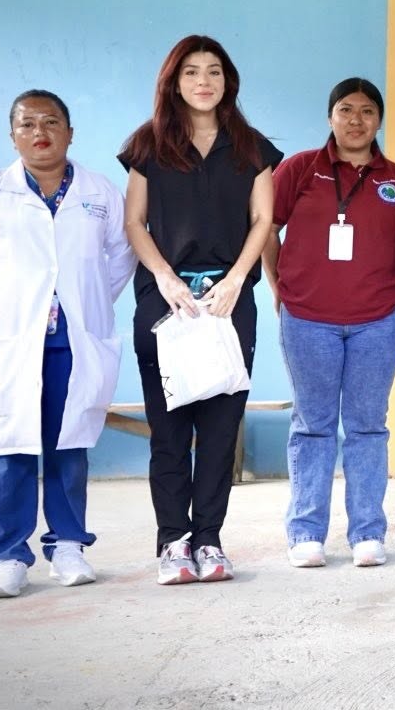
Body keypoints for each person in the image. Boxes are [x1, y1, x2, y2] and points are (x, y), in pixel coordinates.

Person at [0, 91, 136, 599]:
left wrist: (86, 303)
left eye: (51, 122)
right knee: (9, 445)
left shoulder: (98, 191)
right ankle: (8, 555)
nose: (39, 132)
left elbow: (122, 255)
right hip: (7, 342)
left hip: (73, 340)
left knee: (68, 443)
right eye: (27, 124)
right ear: (13, 136)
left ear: (70, 132)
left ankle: (68, 545)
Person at [119, 36, 282, 585]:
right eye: (191, 72)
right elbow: (134, 222)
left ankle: (209, 540)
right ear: (174, 81)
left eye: (214, 71)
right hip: (166, 301)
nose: (203, 81)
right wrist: (165, 278)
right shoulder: (148, 144)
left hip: (229, 301)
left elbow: (263, 221)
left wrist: (237, 279)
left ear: (227, 80)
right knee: (168, 432)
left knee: (219, 430)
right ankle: (173, 543)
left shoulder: (252, 147)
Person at [262, 78, 395, 570]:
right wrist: (280, 287)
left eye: (367, 111)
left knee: (368, 426)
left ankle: (367, 532)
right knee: (313, 426)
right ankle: (306, 532)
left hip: (378, 321)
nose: (356, 120)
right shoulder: (298, 168)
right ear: (330, 116)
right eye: (346, 110)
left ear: (379, 120)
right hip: (308, 320)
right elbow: (266, 228)